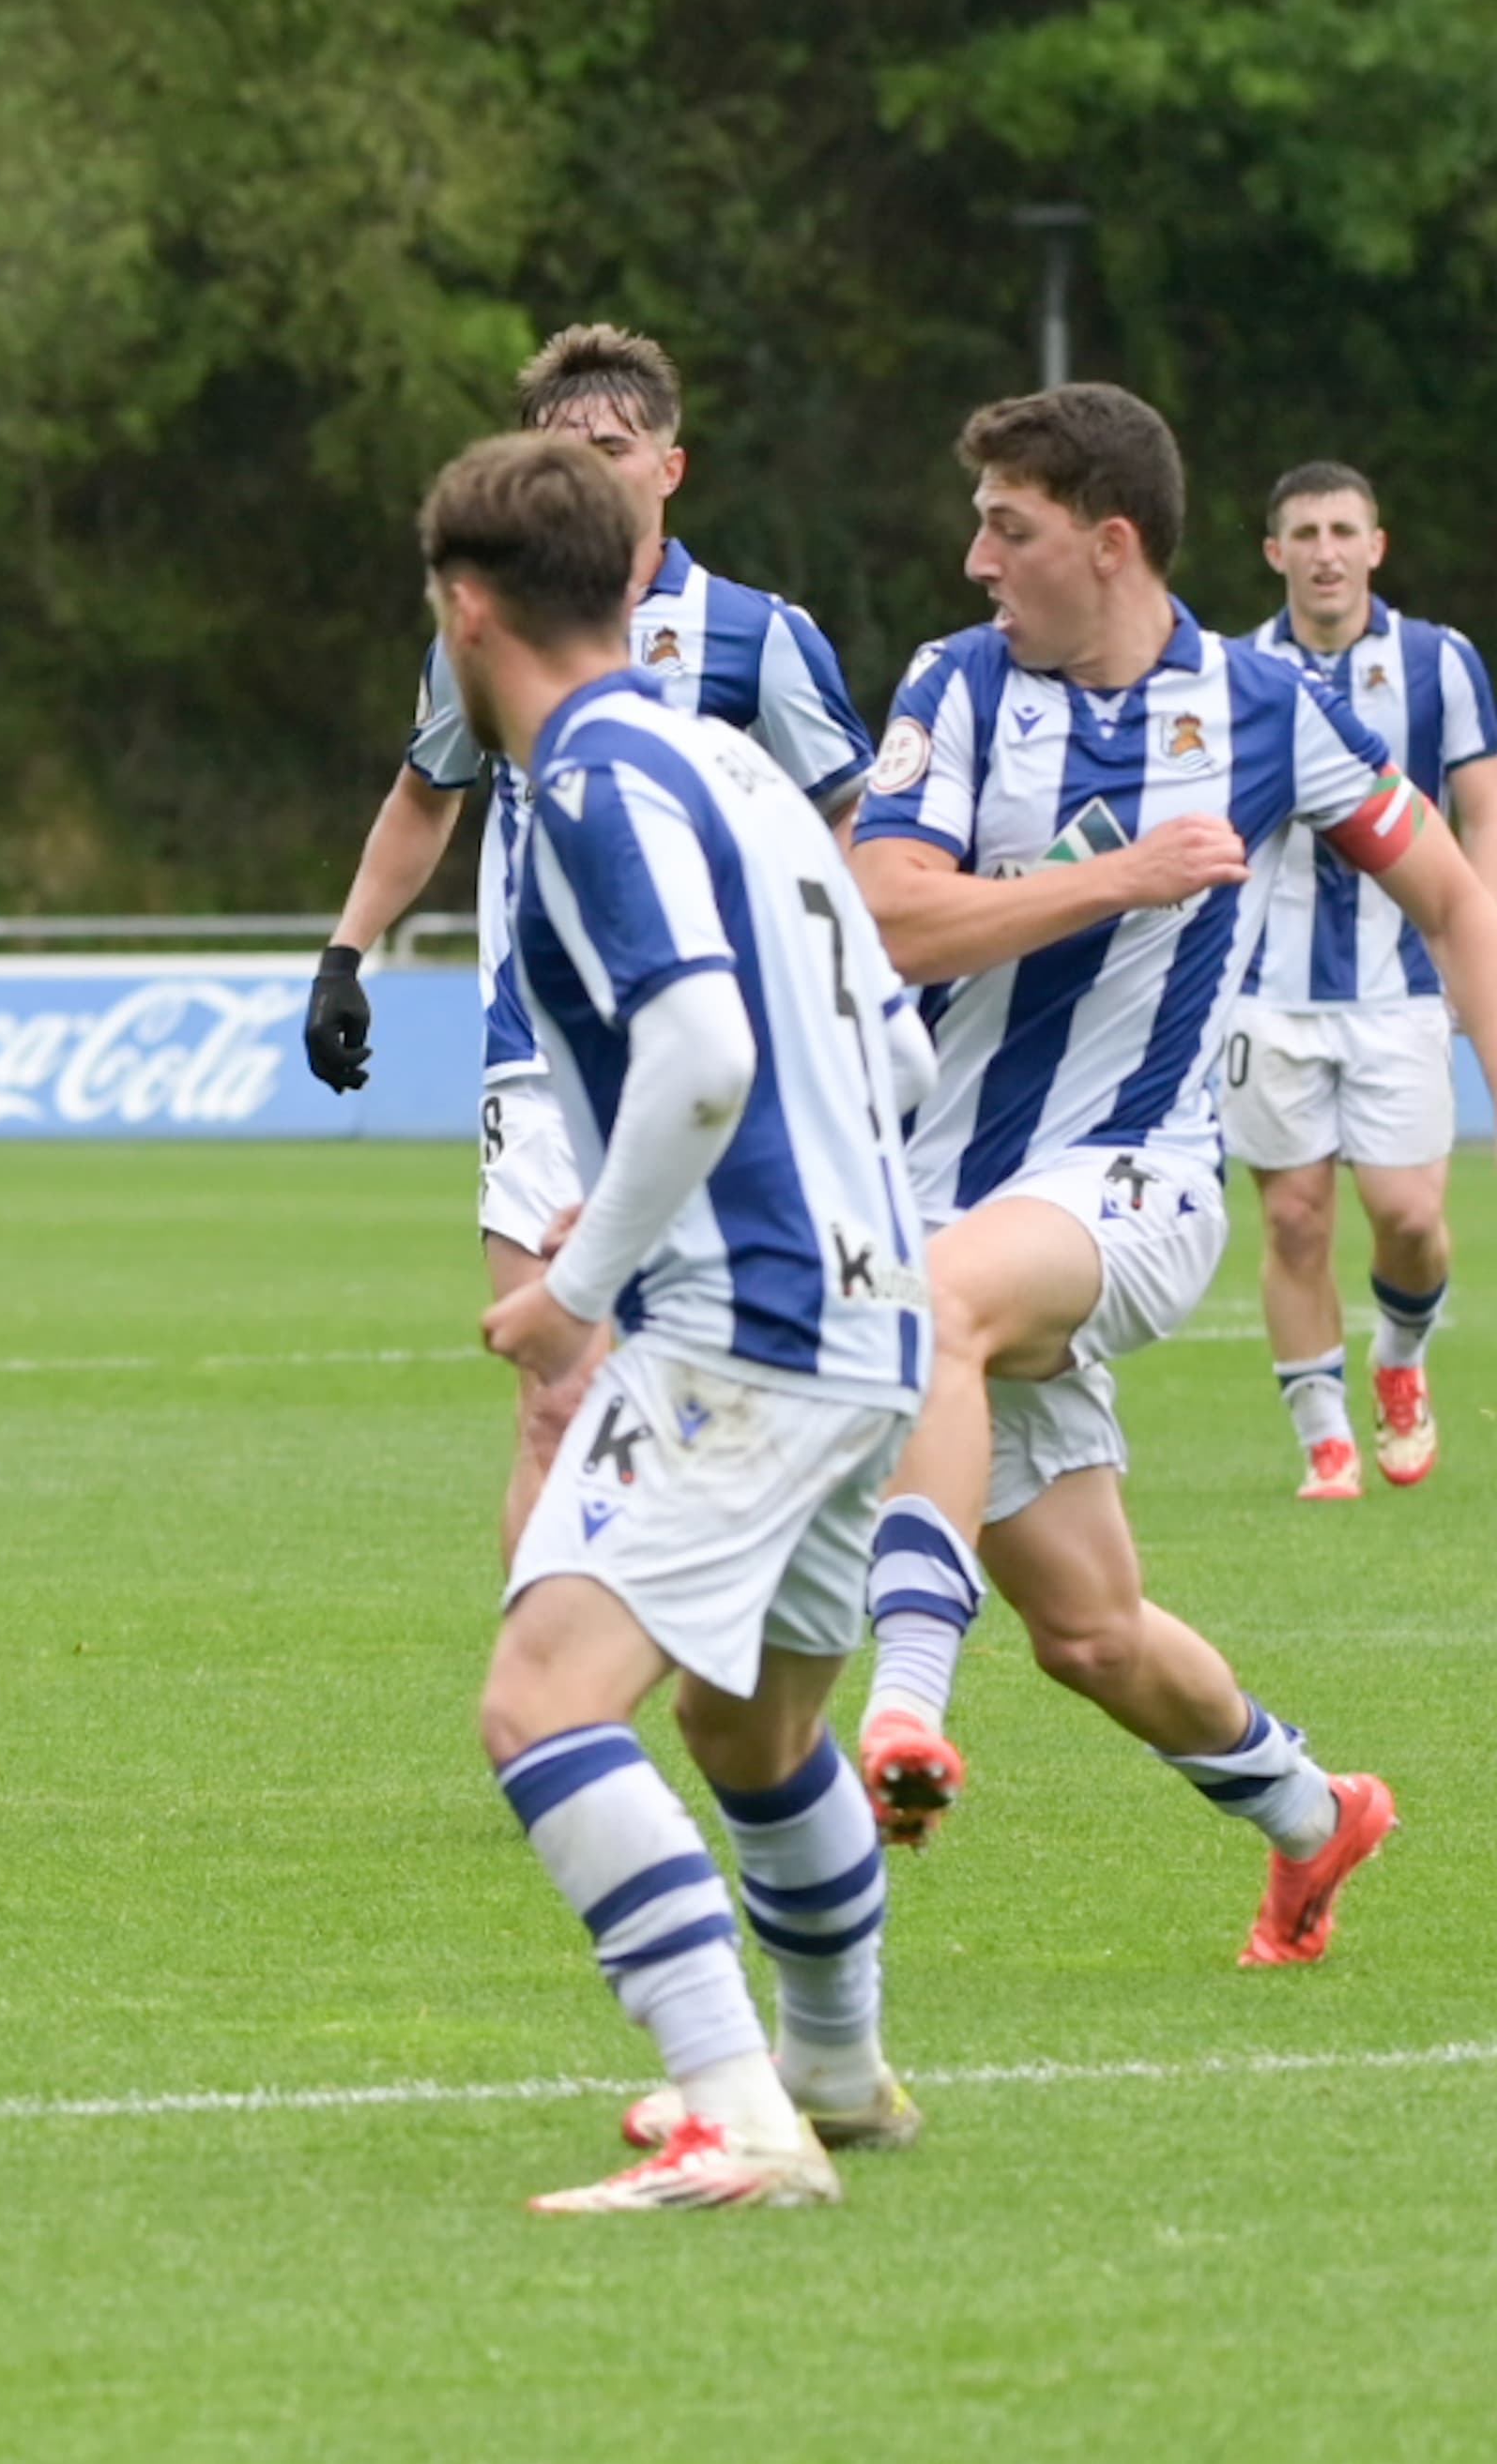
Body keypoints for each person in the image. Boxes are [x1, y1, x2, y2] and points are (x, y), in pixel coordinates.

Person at [841, 387, 1497, 1968]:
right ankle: (1314, 1813)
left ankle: (905, 1712)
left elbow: (1452, 896)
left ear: (1108, 541)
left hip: (1141, 1180)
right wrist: (1120, 878)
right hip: (940, 1190)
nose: (977, 559)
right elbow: (889, 916)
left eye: (1009, 528)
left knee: (934, 1309)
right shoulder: (956, 684)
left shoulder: (1269, 707)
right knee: (1089, 1630)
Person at [434, 431, 931, 2213]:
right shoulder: (733, 763)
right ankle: (832, 2067)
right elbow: (895, 1051)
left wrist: (575, 1291)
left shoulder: (580, 778)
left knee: (541, 1704)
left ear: (466, 608)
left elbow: (705, 1050)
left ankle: (735, 2112)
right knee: (749, 1731)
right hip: (876, 1316)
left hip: (748, 1328)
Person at [305, 327, 874, 1563]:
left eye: (613, 448)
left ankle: (702, 1635)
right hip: (538, 1059)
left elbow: (849, 828)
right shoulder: (482, 631)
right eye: (561, 453)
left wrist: (846, 994)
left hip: (718, 1056)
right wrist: (345, 955)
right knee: (556, 1401)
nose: (589, 472)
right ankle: (555, 1668)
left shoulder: (758, 635)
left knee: (715, 1395)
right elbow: (425, 796)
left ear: (670, 467)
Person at [1222, 462, 1497, 1498]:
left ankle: (1399, 1357)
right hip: (1268, 988)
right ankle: (1323, 1437)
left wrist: (1476, 951)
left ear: (1376, 546)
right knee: (1295, 1217)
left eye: (1344, 531)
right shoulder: (1236, 670)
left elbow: (1481, 815)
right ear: (1274, 553)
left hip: (1402, 985)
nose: (1325, 552)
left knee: (1410, 1218)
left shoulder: (1439, 661)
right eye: (1305, 534)